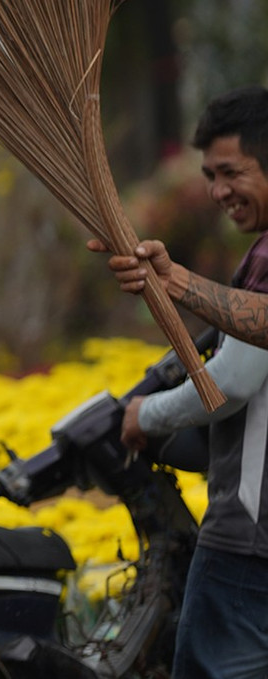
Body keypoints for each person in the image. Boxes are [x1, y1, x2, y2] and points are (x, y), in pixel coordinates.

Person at [99, 86, 268, 679]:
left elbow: (235, 381)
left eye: (232, 172)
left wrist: (144, 416)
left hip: (249, 537)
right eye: (209, 175)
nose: (218, 191)